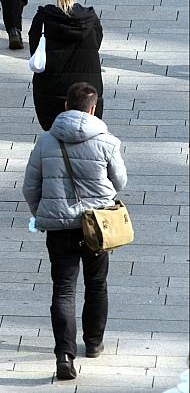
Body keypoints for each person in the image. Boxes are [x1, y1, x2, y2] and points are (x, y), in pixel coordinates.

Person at [23, 82, 128, 381]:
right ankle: (93, 343)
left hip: (59, 228)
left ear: (66, 106)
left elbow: (30, 186)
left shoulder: (45, 141)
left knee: (64, 289)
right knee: (97, 284)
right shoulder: (107, 142)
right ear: (93, 108)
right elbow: (120, 182)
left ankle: (64, 355)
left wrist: (43, 213)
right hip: (97, 226)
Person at [30, 0, 104, 131]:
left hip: (51, 91)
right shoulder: (90, 19)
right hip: (86, 93)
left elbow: (34, 49)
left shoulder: (43, 19)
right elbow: (96, 43)